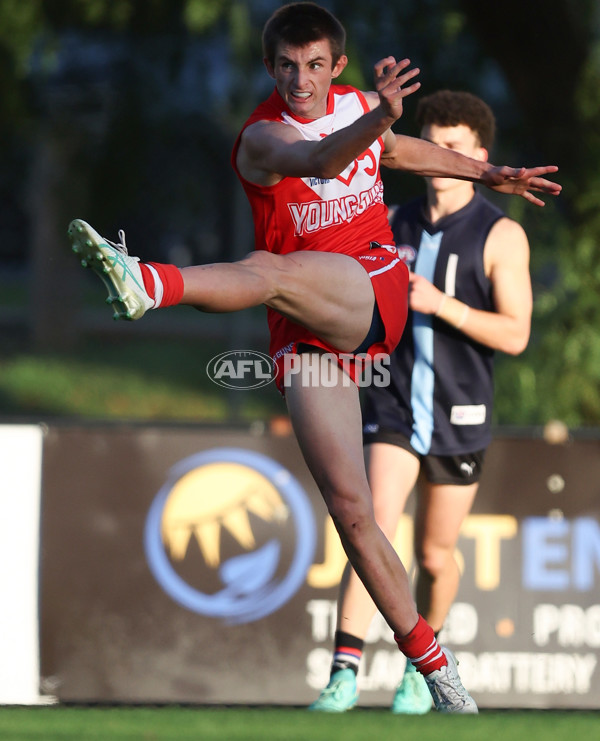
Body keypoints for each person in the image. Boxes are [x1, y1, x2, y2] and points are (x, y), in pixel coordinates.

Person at [67, 3, 560, 713]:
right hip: (305, 326)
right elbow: (325, 158)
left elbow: (395, 153)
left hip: (373, 288)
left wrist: (490, 173)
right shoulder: (263, 136)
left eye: (317, 65)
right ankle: (440, 674)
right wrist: (381, 120)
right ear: (271, 68)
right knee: (354, 513)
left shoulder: (363, 109)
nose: (302, 78)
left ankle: (146, 280)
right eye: (288, 66)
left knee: (270, 266)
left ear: (338, 65)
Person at [309, 89, 533, 714]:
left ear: (479, 155)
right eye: (432, 149)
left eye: (453, 150)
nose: (440, 160)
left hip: (461, 409)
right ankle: (343, 676)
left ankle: (423, 672)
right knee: (372, 525)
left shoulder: (500, 233)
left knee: (436, 554)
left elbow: (516, 333)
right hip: (393, 401)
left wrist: (443, 305)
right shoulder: (392, 221)